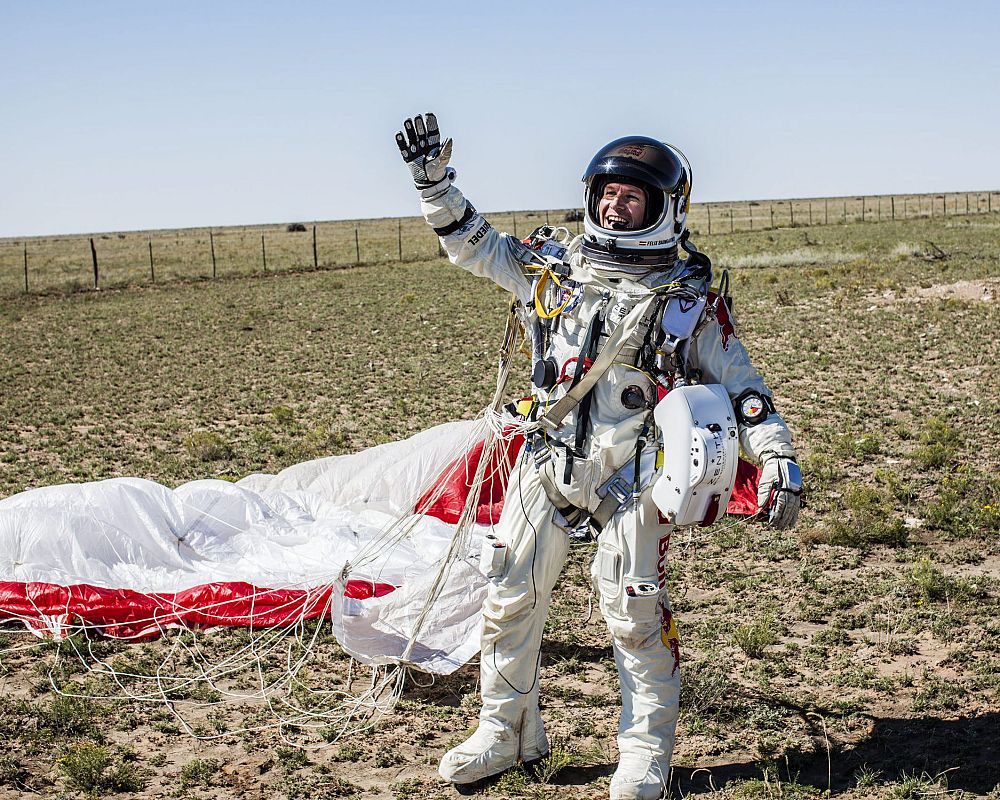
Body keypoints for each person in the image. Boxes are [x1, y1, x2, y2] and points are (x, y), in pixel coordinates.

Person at [395, 114, 802, 800]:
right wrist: (434, 186)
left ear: (664, 208)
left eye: (632, 197)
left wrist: (777, 457)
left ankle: (644, 757)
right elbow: (474, 245)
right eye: (608, 193)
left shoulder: (687, 301)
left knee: (634, 616)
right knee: (509, 597)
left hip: (633, 475)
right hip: (548, 461)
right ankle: (506, 733)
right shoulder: (553, 269)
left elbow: (744, 388)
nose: (616, 206)